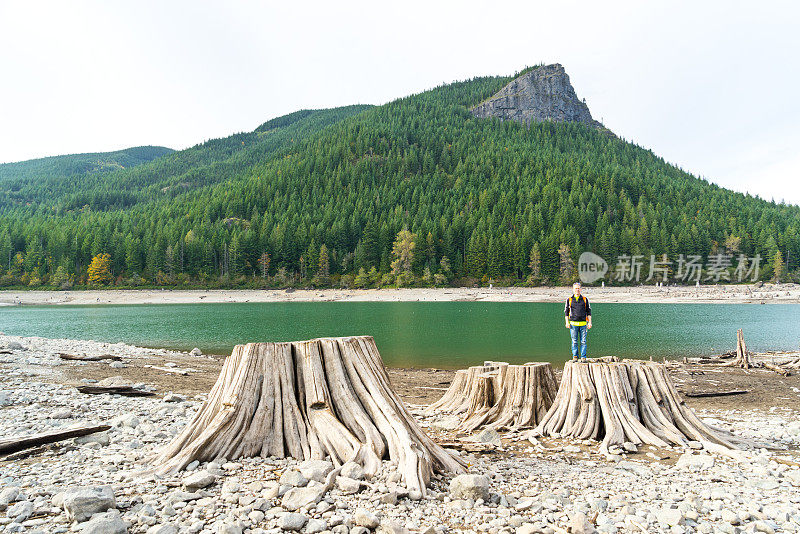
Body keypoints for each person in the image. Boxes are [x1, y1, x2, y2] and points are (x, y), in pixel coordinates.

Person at [564, 282, 592, 361]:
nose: (577, 290)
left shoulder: (585, 299)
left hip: (583, 324)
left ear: (581, 289)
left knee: (583, 341)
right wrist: (567, 322)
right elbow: (566, 311)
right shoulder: (569, 299)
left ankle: (583, 357)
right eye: (576, 288)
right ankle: (575, 356)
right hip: (573, 324)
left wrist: (589, 322)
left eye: (578, 288)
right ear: (573, 289)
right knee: (574, 341)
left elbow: (589, 311)